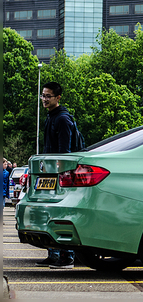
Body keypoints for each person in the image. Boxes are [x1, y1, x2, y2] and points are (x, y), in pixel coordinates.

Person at [38, 82, 76, 269]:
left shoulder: (62, 119)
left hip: (60, 175)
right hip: (49, 174)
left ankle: (67, 256)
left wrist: (59, 175)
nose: (44, 99)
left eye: (48, 96)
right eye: (42, 95)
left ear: (58, 98)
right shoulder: (50, 117)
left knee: (62, 214)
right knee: (49, 214)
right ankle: (53, 254)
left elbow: (65, 153)